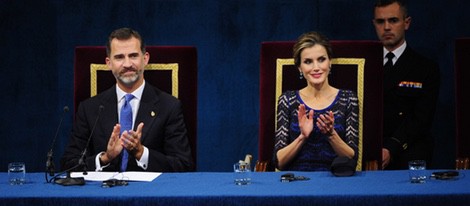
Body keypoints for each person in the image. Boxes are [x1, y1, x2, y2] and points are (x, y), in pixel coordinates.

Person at [61, 28, 194, 172]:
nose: (127, 64)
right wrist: (105, 158)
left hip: (150, 192)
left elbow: (183, 164)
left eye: (133, 56)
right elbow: (68, 164)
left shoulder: (169, 106)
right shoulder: (89, 108)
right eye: (119, 57)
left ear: (145, 59)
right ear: (108, 63)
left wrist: (142, 153)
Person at [273, 31, 359, 171]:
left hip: (336, 179)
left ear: (330, 61)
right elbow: (279, 162)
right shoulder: (287, 100)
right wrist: (302, 137)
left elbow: (352, 159)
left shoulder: (348, 99)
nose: (316, 68)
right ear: (300, 67)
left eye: (321, 59)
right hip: (297, 182)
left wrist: (331, 135)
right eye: (308, 62)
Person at [373, 0, 440, 170]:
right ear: (374, 24)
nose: (386, 27)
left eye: (393, 20)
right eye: (381, 22)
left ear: (406, 23)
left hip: (408, 149)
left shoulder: (425, 68)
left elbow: (421, 119)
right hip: (371, 149)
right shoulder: (365, 64)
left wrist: (391, 148)